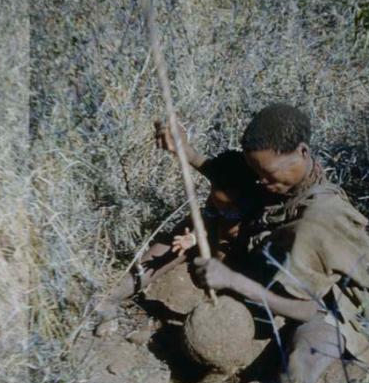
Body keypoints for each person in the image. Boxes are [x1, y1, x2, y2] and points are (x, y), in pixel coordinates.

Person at [192, 103, 369, 383]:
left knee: (298, 367)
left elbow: (306, 309)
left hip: (339, 304)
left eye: (268, 176)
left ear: (302, 152)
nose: (264, 183)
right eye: (258, 174)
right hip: (299, 274)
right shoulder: (286, 180)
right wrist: (185, 151)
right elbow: (245, 186)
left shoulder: (319, 219)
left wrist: (234, 282)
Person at [92, 121, 260, 331]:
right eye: (218, 203)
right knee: (179, 237)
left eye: (232, 208)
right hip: (211, 243)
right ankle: (115, 293)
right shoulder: (220, 194)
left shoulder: (260, 208)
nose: (225, 211)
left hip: (240, 265)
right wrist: (192, 239)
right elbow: (208, 220)